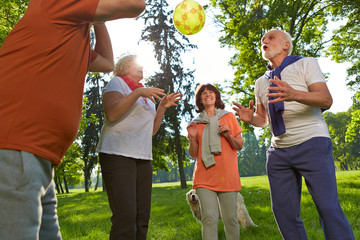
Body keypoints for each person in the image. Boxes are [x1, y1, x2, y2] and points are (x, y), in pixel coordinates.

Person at [0, 0, 146, 239]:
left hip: (37, 157)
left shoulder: (69, 32)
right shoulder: (55, 3)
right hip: (17, 148)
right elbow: (135, 4)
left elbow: (106, 62)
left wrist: (95, 19)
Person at [233, 29, 355, 240]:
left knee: (328, 208)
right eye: (262, 39)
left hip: (312, 142)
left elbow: (326, 100)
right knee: (284, 213)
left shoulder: (306, 63)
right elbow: (263, 120)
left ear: (285, 45)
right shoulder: (261, 82)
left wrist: (293, 94)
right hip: (279, 152)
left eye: (270, 37)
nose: (264, 40)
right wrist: (251, 118)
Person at [97, 54, 182, 240]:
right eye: (137, 64)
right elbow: (111, 114)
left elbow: (151, 130)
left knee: (142, 217)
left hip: (143, 156)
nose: (141, 66)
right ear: (125, 66)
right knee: (125, 217)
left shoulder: (145, 93)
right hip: (117, 153)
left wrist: (162, 107)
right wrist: (136, 93)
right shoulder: (117, 83)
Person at [187, 83, 244, 240]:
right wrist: (192, 138)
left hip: (227, 175)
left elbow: (239, 145)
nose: (207, 94)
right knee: (209, 220)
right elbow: (193, 153)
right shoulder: (196, 123)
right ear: (200, 99)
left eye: (210, 91)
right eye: (203, 93)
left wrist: (228, 134)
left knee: (230, 219)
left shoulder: (228, 117)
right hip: (204, 177)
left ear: (216, 96)